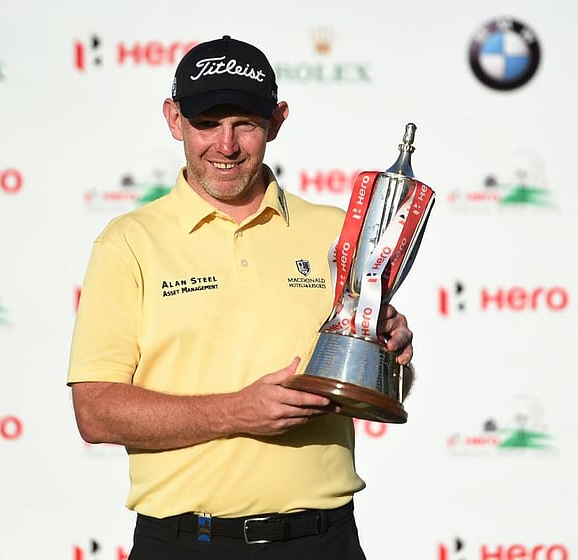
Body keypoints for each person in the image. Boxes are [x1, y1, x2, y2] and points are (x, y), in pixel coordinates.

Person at [67, 35, 414, 560]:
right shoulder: (128, 242)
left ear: (276, 121)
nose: (225, 146)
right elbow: (95, 413)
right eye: (207, 123)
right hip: (184, 545)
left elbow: (384, 390)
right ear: (174, 119)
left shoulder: (338, 233)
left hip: (323, 542)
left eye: (245, 124)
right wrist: (236, 411)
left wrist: (389, 357)